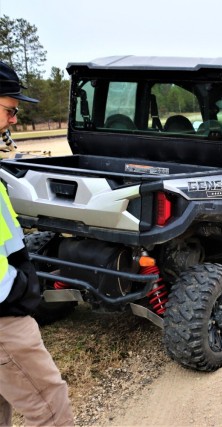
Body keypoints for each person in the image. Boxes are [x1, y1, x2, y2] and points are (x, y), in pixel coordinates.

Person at [0, 61, 74, 425]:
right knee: (51, 411)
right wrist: (17, 293)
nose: (14, 120)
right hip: (4, 321)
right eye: (11, 110)